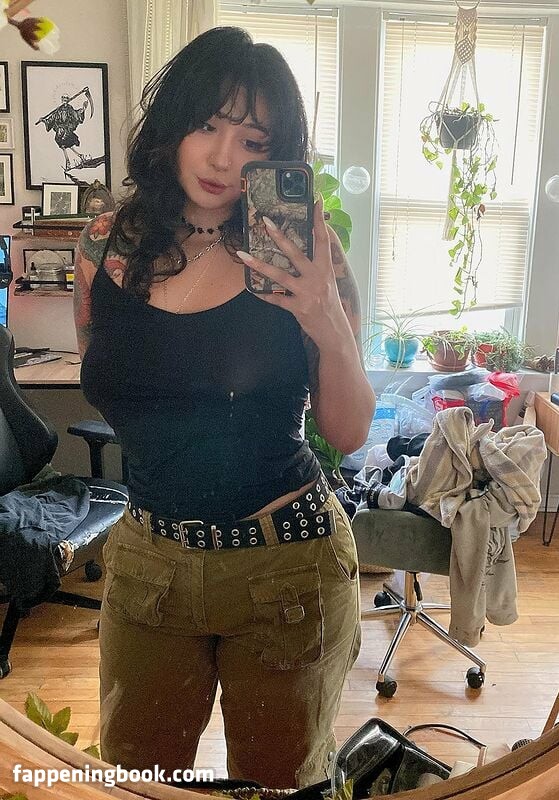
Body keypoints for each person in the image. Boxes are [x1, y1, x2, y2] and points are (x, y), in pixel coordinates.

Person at [73, 26, 375, 790]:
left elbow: (348, 431)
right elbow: (110, 376)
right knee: (139, 782)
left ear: (278, 156)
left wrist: (326, 317)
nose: (221, 157)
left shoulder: (304, 252)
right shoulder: (104, 247)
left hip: (287, 565)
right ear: (172, 123)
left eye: (252, 141)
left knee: (278, 786)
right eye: (207, 125)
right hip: (150, 561)